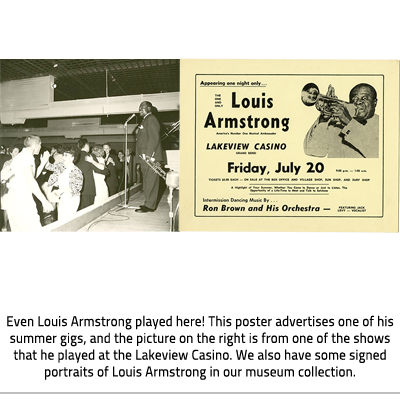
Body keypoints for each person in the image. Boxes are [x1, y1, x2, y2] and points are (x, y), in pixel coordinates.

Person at [304, 83, 379, 158]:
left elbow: (374, 152)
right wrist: (324, 117)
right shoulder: (336, 122)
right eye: (354, 99)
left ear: (375, 102)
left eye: (364, 98)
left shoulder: (382, 124)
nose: (358, 102)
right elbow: (313, 150)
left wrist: (348, 122)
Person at [5, 136, 53, 232]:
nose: (40, 147)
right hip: (22, 198)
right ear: (35, 145)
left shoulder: (22, 155)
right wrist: (44, 201)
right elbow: (31, 180)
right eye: (40, 145)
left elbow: (31, 176)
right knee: (34, 229)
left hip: (13, 197)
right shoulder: (27, 157)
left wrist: (43, 162)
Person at [135, 101, 166, 213]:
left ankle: (150, 206)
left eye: (142, 108)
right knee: (147, 182)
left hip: (150, 157)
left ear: (149, 108)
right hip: (145, 157)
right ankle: (148, 203)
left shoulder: (151, 119)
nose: (140, 110)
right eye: (139, 108)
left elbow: (154, 138)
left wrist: (148, 154)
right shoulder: (145, 120)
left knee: (151, 182)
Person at [46, 147, 83, 221]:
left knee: (67, 222)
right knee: (61, 221)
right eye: (63, 155)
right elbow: (48, 167)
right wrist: (47, 158)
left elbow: (77, 188)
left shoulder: (76, 171)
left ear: (72, 158)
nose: (63, 157)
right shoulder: (61, 166)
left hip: (72, 199)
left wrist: (61, 190)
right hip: (63, 198)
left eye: (66, 155)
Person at [75, 138, 109, 210]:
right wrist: (107, 171)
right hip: (89, 189)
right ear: (86, 145)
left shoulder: (76, 156)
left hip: (78, 188)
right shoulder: (90, 156)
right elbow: (99, 170)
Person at [1, 144, 20, 232]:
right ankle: (4, 226)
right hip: (8, 188)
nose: (17, 153)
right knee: (6, 207)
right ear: (11, 153)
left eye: (18, 151)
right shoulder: (8, 163)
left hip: (18, 188)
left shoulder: (21, 163)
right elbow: (4, 177)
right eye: (15, 151)